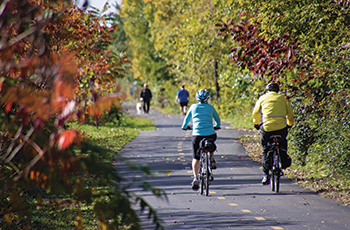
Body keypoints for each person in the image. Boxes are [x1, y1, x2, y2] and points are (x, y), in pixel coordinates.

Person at [252, 83, 295, 185]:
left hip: (267, 128)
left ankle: (266, 174)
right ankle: (282, 162)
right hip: (281, 128)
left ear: (267, 91)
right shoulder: (283, 99)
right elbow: (290, 114)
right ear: (277, 91)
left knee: (265, 149)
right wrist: (289, 124)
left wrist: (256, 123)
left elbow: (255, 113)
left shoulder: (262, 98)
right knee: (282, 144)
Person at [181, 89, 221, 191]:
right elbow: (218, 119)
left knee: (196, 158)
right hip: (210, 133)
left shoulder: (193, 107)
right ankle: (211, 159)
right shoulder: (210, 108)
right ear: (208, 98)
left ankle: (195, 178)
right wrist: (217, 126)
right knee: (210, 143)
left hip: (197, 135)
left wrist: (185, 126)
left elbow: (186, 119)